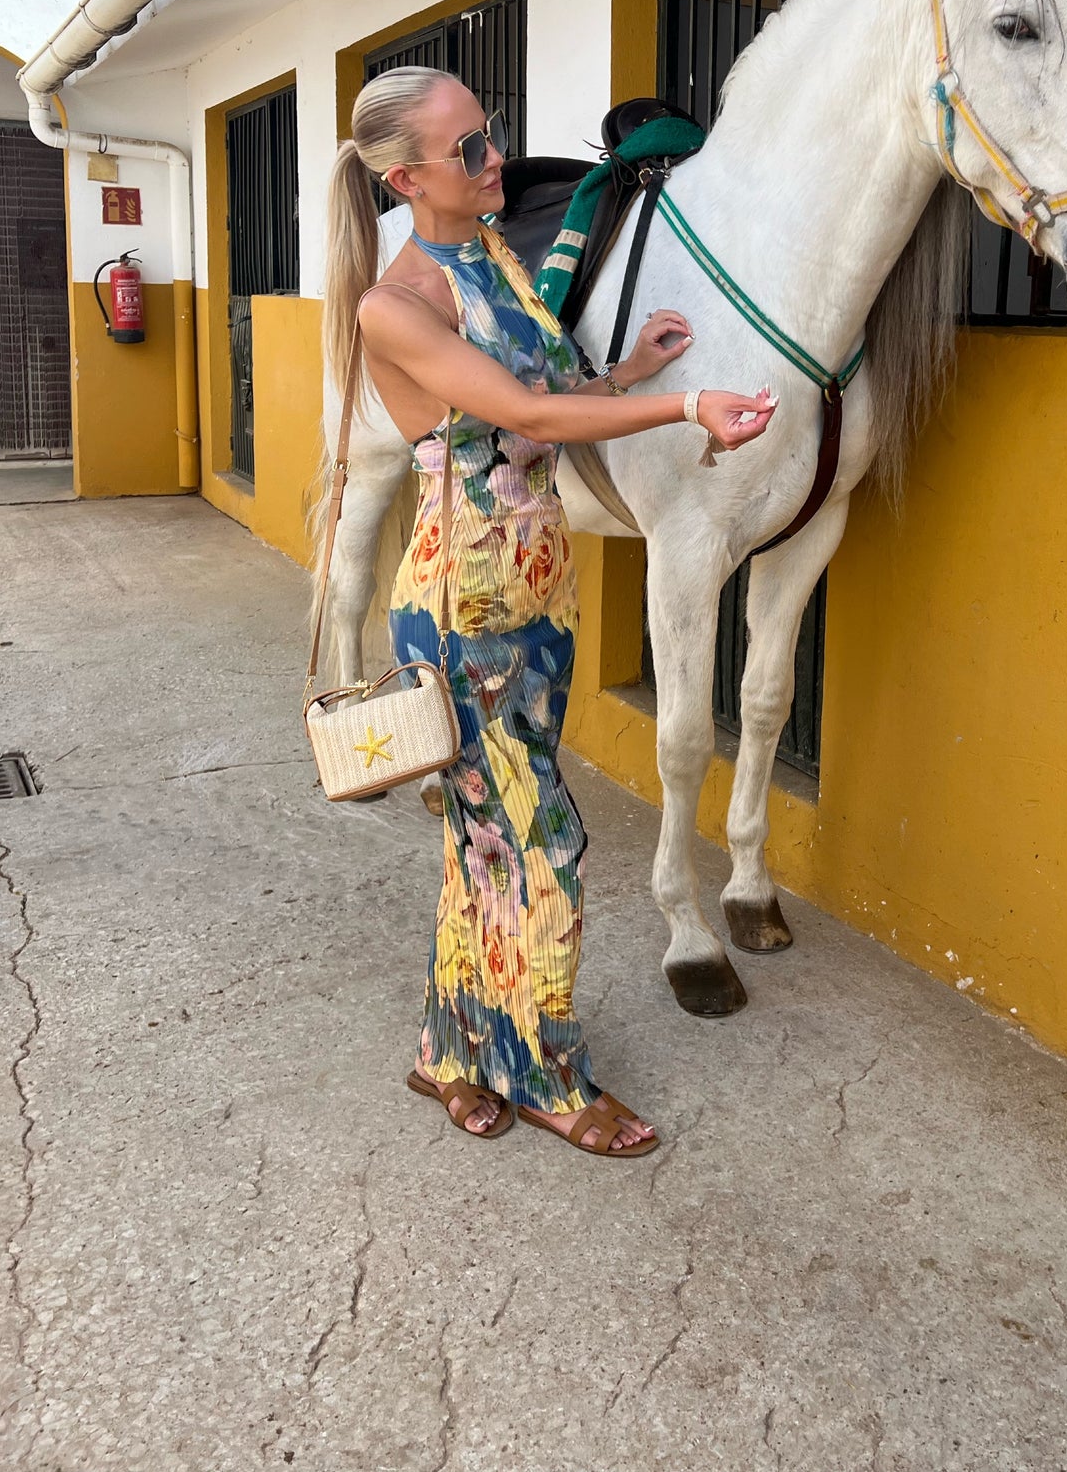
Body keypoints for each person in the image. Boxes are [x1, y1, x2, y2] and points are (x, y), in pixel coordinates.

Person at [322, 66, 775, 1158]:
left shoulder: (491, 257)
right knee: (544, 839)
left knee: (484, 837)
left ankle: (446, 1052)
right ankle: (547, 1078)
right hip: (460, 601)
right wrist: (681, 401)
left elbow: (552, 404)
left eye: (491, 138)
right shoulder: (398, 305)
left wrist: (629, 367)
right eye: (470, 150)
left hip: (534, 588)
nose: (497, 163)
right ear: (404, 177)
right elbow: (519, 408)